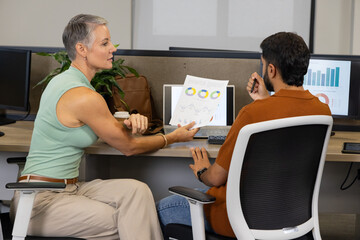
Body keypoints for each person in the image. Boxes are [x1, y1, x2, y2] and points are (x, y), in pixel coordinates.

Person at [10, 14, 198, 240]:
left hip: (70, 187)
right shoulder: (83, 96)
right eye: (104, 43)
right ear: (82, 49)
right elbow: (129, 147)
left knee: (137, 192)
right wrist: (173, 137)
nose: (113, 49)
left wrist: (126, 122)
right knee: (127, 220)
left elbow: (94, 122)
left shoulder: (65, 81)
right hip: (39, 202)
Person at [156, 32, 332, 238]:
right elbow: (286, 116)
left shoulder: (252, 113)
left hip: (236, 220)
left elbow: (216, 177)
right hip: (291, 217)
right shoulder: (322, 111)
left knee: (157, 210)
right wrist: (265, 101)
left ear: (272, 70)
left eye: (264, 64)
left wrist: (202, 170)